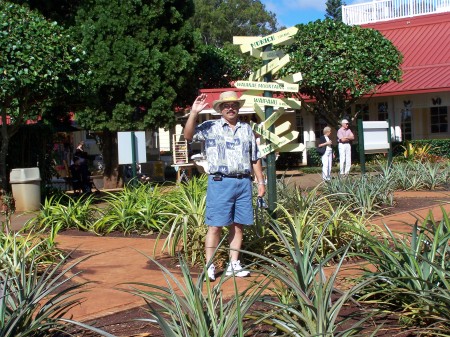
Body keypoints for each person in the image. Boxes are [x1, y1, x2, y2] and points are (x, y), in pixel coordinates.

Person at [184, 91, 266, 281]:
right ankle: (209, 266)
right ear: (220, 109)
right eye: (226, 105)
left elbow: (254, 158)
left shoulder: (246, 129)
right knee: (215, 226)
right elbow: (188, 135)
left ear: (238, 108)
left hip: (243, 182)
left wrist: (260, 181)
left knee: (238, 226)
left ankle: (234, 264)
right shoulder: (210, 127)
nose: (231, 108)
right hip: (220, 182)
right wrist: (194, 112)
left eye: (234, 105)